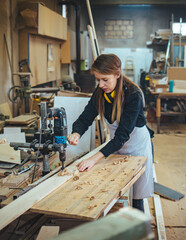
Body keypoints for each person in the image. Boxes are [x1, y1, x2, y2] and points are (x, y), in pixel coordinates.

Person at [67, 54, 154, 211]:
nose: (100, 85)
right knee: (116, 187)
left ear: (117, 75)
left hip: (137, 146)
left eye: (105, 79)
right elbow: (85, 117)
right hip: (117, 145)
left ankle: (140, 230)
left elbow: (122, 135)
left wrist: (94, 159)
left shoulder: (134, 95)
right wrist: (76, 133)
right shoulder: (100, 92)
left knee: (136, 195)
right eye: (98, 79)